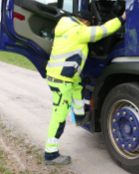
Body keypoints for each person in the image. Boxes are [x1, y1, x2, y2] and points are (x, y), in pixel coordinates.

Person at [44, 10, 126, 165]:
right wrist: (122, 18)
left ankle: (80, 116)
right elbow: (103, 31)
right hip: (62, 80)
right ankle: (50, 153)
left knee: (79, 85)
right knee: (59, 116)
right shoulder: (79, 31)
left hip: (61, 75)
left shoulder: (65, 26)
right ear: (87, 22)